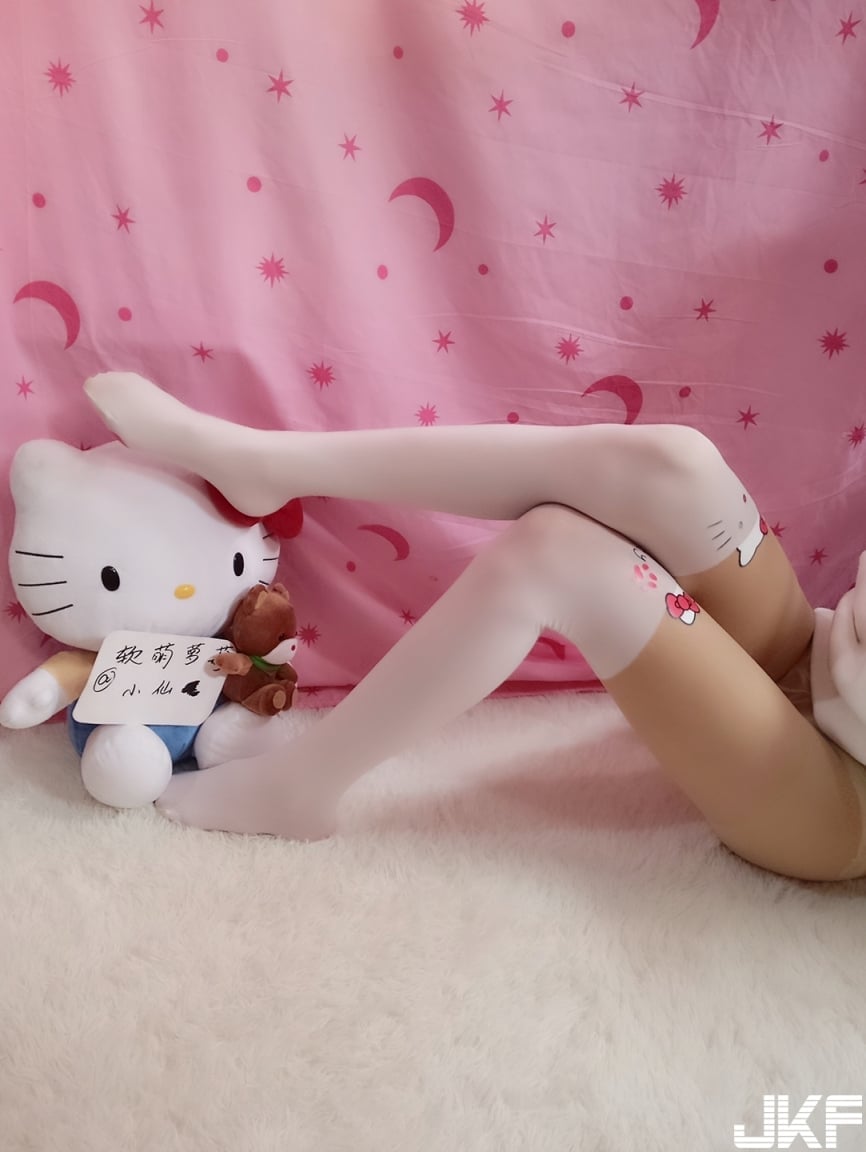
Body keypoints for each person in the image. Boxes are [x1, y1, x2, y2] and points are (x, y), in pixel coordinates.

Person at [82, 372, 866, 882]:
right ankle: (266, 463)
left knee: (558, 552)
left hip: (838, 799)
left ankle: (301, 787)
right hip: (825, 650)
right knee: (674, 464)